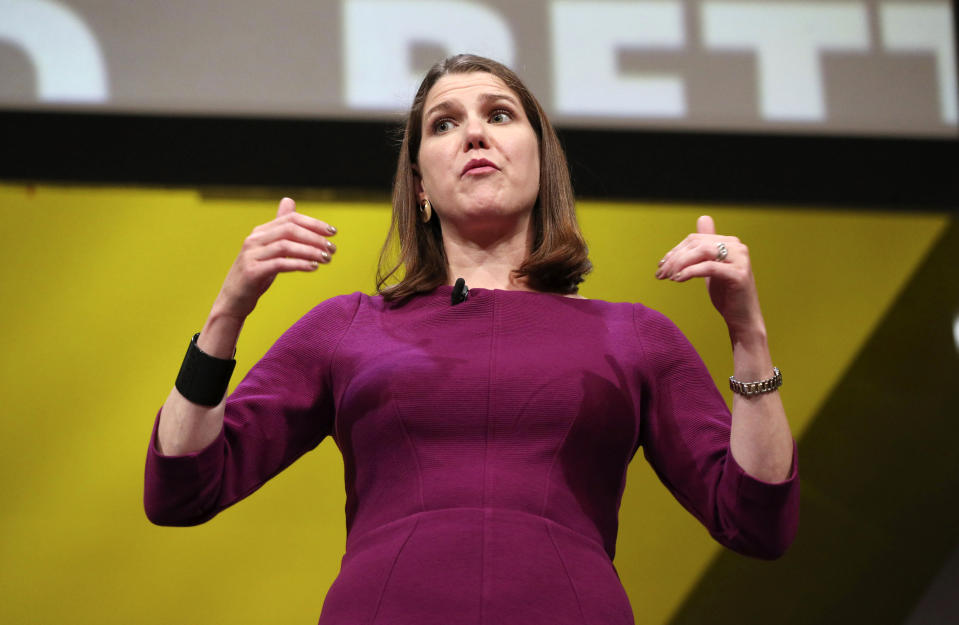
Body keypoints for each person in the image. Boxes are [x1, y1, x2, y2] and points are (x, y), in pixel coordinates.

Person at [144, 54, 798, 624]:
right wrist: (230, 309)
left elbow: (757, 520)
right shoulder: (347, 326)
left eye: (499, 114)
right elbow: (182, 487)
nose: (474, 133)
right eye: (444, 123)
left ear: (540, 164)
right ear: (421, 186)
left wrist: (747, 333)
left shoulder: (633, 336)